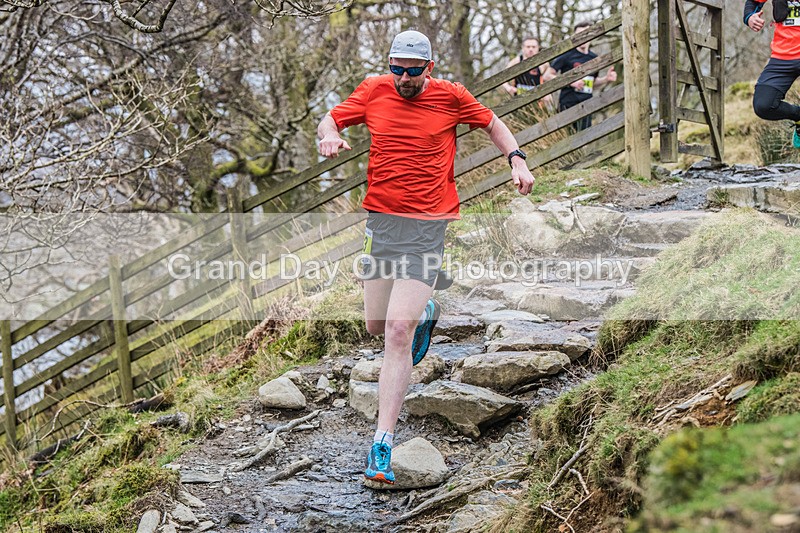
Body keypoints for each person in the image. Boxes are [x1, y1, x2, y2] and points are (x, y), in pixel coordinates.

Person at [317, 30, 535, 485]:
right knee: (375, 326)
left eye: (412, 71)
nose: (403, 78)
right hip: (381, 225)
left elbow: (494, 123)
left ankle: (382, 442)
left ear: (428, 68)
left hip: (427, 230)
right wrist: (330, 136)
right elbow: (330, 120)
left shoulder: (451, 96)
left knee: (397, 333)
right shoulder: (374, 89)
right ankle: (428, 309)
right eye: (396, 68)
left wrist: (516, 159)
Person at [746, 0, 800, 147]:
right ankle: (798, 116)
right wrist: (750, 17)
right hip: (783, 56)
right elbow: (752, 2)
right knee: (764, 106)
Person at [545, 21, 617, 131]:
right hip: (567, 105)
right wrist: (571, 82)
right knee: (566, 139)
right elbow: (547, 75)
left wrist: (606, 79)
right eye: (580, 34)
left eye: (586, 34)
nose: (583, 37)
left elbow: (593, 83)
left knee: (585, 139)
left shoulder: (594, 58)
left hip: (587, 105)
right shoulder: (567, 55)